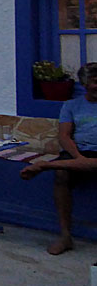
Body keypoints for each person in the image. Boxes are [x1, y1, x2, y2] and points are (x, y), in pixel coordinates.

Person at [20, 63, 97, 255]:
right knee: (62, 175)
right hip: (77, 152)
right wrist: (79, 158)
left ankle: (44, 165)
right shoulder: (72, 105)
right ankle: (65, 236)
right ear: (86, 84)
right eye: (95, 82)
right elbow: (64, 136)